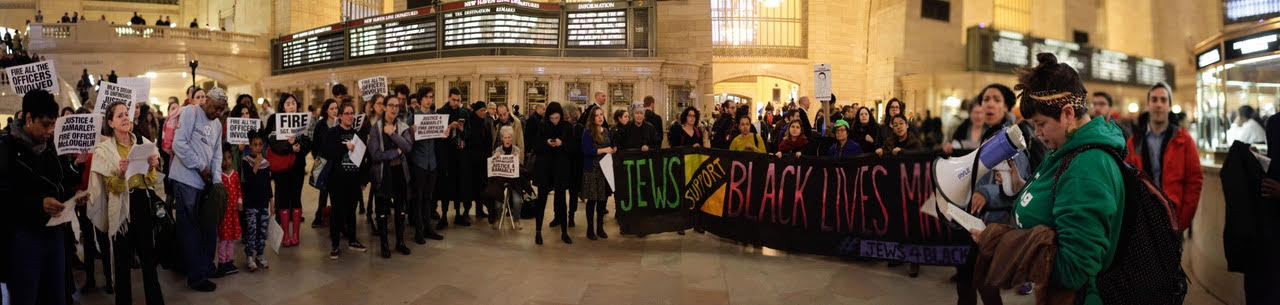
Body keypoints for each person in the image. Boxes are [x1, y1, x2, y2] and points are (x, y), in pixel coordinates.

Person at [971, 53, 1127, 305]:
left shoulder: (1086, 167)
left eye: (1041, 124)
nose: (1038, 133)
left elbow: (1073, 269)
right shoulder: (1065, 149)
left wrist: (1003, 243)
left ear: (1067, 113)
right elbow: (1057, 197)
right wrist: (1023, 187)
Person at [1, 89, 84, 305]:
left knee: (56, 296)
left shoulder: (50, 148)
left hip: (55, 234)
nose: (50, 131)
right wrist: (38, 204)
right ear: (29, 118)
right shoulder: (7, 149)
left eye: (53, 124)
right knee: (27, 296)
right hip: (23, 237)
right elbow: (4, 196)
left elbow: (61, 181)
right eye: (46, 124)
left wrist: (74, 194)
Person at [84, 100, 164, 305]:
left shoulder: (143, 142)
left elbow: (151, 181)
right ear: (110, 123)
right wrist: (120, 174)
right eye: (119, 115)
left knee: (148, 259)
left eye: (126, 114)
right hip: (120, 207)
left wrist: (150, 167)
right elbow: (112, 187)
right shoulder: (104, 150)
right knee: (121, 263)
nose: (125, 118)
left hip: (141, 203)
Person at [169, 87, 228, 292]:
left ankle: (206, 267)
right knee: (190, 230)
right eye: (216, 108)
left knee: (208, 226)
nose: (217, 113)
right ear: (207, 102)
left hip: (205, 184)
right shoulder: (190, 112)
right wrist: (200, 166)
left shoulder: (218, 123)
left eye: (221, 110)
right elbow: (179, 144)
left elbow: (217, 154)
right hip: (185, 181)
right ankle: (195, 277)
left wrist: (217, 180)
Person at [1125, 81, 1202, 231]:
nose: (1158, 104)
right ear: (1148, 105)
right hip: (1143, 220)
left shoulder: (1184, 140)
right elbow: (1127, 181)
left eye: (1163, 100)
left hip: (1172, 217)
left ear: (1169, 106)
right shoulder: (1135, 141)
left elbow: (1194, 181)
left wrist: (1181, 222)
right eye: (1154, 100)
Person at [323, 102, 369, 260]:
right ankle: (335, 244)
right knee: (337, 213)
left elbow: (363, 158)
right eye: (347, 113)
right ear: (340, 116)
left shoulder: (357, 134)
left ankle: (353, 240)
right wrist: (345, 147)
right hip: (337, 180)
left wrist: (364, 179)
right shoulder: (333, 133)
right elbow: (327, 152)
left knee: (352, 212)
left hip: (353, 180)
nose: (350, 116)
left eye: (352, 113)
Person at [369, 96, 413, 258]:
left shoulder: (402, 126)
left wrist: (393, 135)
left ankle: (400, 242)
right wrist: (395, 152)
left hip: (400, 172)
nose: (394, 108)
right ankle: (384, 244)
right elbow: (375, 154)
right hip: (382, 173)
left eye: (396, 105)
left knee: (401, 209)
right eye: (390, 105)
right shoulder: (376, 128)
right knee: (382, 210)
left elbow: (408, 147)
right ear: (385, 107)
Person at [265, 94, 311, 246]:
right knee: (283, 199)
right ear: (282, 107)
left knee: (296, 198)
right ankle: (285, 235)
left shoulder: (302, 121)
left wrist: (298, 146)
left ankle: (295, 235)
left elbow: (308, 142)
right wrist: (289, 147)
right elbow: (273, 142)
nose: (291, 106)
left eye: (293, 103)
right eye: (288, 103)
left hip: (297, 167)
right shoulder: (275, 121)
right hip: (281, 168)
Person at [532, 102, 574, 245]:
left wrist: (562, 144)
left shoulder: (567, 127)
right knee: (541, 200)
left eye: (557, 118)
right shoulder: (542, 126)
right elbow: (536, 147)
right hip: (545, 169)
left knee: (562, 201)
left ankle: (564, 232)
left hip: (560, 169)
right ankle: (538, 231)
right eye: (552, 118)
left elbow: (573, 149)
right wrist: (547, 143)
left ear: (561, 116)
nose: (555, 121)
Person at [407, 87, 444, 242]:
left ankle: (428, 227)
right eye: (427, 97)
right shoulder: (413, 117)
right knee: (418, 197)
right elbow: (407, 141)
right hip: (419, 162)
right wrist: (411, 132)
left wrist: (445, 132)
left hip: (432, 163)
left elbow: (438, 138)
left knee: (429, 197)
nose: (429, 100)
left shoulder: (435, 116)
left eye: (431, 97)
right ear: (421, 99)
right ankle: (419, 230)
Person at [435, 88, 473, 228]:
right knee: (445, 185)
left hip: (460, 153)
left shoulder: (464, 112)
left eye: (458, 100)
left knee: (459, 184)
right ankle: (444, 215)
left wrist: (462, 130)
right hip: (446, 153)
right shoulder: (441, 111)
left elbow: (469, 134)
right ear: (449, 98)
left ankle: (458, 213)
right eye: (454, 100)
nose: (456, 103)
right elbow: (438, 134)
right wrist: (450, 127)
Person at [580, 106, 613, 240]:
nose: (600, 117)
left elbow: (610, 145)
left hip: (604, 168)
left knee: (602, 201)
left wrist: (612, 149)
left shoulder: (606, 130)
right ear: (593, 118)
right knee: (592, 200)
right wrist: (604, 150)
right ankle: (590, 229)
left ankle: (600, 227)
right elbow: (587, 151)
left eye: (601, 115)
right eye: (597, 115)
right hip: (592, 169)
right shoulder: (588, 132)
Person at [240, 130, 271, 272]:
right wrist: (256, 164)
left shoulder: (266, 163)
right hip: (251, 203)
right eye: (255, 145)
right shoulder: (246, 161)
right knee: (252, 230)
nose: (257, 147)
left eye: (260, 145)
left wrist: (271, 201)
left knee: (262, 230)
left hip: (263, 203)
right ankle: (250, 256)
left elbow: (267, 184)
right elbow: (249, 182)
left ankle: (260, 254)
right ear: (250, 146)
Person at [214, 147, 241, 277]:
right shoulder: (219, 176)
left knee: (231, 238)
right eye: (224, 159)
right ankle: (222, 262)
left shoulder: (235, 174)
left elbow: (238, 189)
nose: (227, 161)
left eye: (229, 158)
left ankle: (230, 261)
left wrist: (239, 202)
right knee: (223, 238)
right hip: (223, 213)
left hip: (233, 212)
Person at [491, 126, 524, 230]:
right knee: (497, 198)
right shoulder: (498, 150)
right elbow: (493, 168)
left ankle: (517, 219)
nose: (507, 140)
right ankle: (497, 218)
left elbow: (520, 167)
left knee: (517, 200)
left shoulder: (516, 149)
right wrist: (494, 157)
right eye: (505, 137)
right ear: (501, 138)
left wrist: (516, 159)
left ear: (512, 138)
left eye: (509, 137)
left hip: (514, 180)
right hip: (500, 180)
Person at [466, 101, 494, 223]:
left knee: (481, 187)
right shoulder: (470, 122)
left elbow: (489, 140)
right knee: (470, 186)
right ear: (476, 111)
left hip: (483, 160)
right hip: (472, 161)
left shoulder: (485, 122)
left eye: (484, 110)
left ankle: (479, 210)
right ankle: (466, 211)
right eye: (481, 110)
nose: (484, 113)